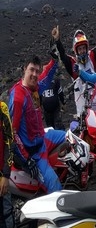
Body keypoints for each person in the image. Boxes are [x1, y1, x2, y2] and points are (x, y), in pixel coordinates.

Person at [9, 55, 66, 193]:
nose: (35, 74)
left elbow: (46, 77)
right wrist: (27, 159)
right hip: (33, 153)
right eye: (31, 70)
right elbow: (12, 134)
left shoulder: (33, 88)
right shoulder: (18, 97)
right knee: (56, 189)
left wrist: (54, 59)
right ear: (24, 69)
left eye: (37, 71)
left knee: (70, 137)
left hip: (43, 138)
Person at [0, 100, 20, 228]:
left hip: (1, 175)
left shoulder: (2, 108)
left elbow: (9, 140)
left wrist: (5, 174)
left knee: (5, 213)